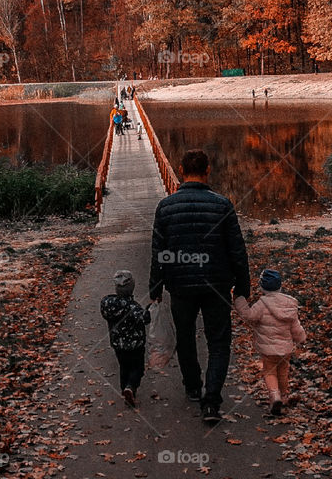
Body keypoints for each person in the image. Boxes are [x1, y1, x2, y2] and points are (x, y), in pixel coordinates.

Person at [149, 149, 250, 424]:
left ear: (182, 171)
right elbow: (237, 250)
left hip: (180, 285)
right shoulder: (222, 205)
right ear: (208, 171)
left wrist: (155, 287)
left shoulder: (166, 207)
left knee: (185, 336)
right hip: (217, 284)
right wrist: (243, 287)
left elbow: (160, 250)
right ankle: (212, 402)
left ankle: (193, 386)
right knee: (218, 342)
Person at [233, 269, 306, 416]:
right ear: (280, 286)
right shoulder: (289, 305)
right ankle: (284, 396)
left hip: (268, 349)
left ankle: (274, 396)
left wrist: (239, 300)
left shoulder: (261, 305)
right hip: (285, 349)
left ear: (262, 287)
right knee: (283, 372)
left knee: (270, 372)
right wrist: (301, 338)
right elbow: (295, 326)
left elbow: (249, 316)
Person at [101, 269, 150, 407]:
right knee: (137, 368)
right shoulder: (133, 308)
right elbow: (145, 319)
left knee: (124, 367)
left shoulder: (108, 304)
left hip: (118, 344)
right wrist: (150, 308)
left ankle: (125, 390)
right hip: (135, 345)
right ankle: (131, 387)